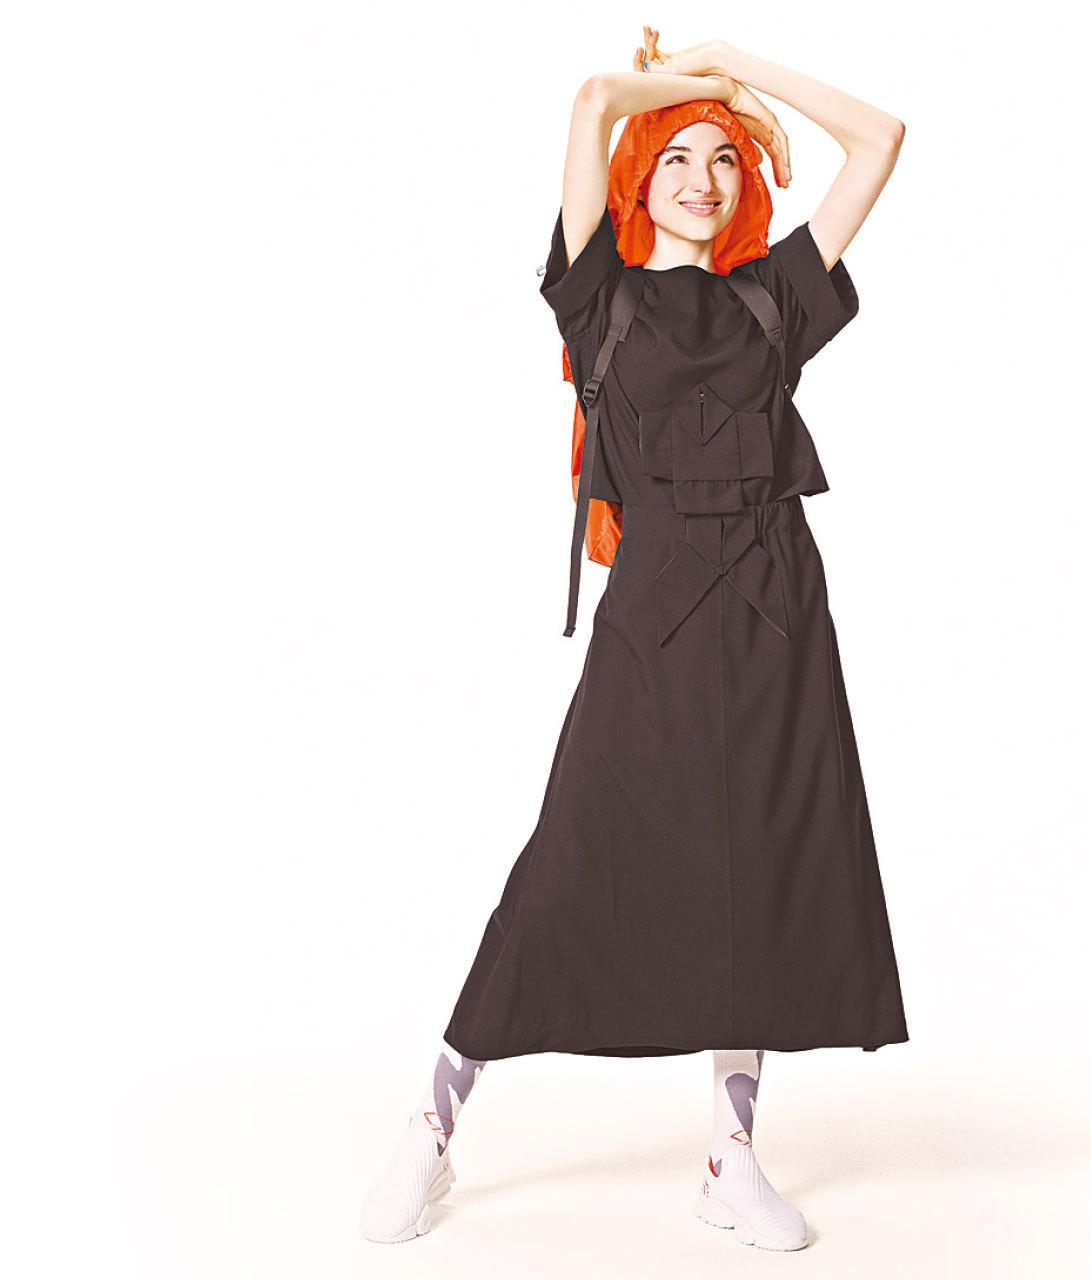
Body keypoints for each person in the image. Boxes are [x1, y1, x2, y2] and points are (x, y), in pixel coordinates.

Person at [360, 30, 909, 1253]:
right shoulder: (595, 297)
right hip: (651, 628)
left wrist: (749, 69)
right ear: (640, 176)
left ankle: (730, 1157)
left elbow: (879, 141)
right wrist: (700, 83)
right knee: (566, 862)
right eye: (679, 158)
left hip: (776, 623)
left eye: (725, 159)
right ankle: (431, 1126)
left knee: (755, 875)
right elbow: (596, 97)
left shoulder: (772, 297)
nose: (704, 179)